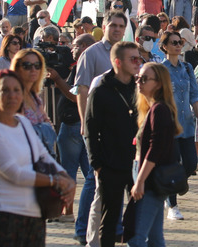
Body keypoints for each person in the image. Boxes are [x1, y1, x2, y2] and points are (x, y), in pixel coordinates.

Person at [0, 70, 76, 247]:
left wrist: (66, 176)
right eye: (5, 90)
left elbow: (43, 155)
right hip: (5, 214)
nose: (12, 95)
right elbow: (15, 173)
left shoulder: (22, 122)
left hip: (35, 212)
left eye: (17, 90)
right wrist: (56, 180)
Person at [84, 41, 142, 247]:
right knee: (109, 222)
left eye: (139, 58)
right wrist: (97, 164)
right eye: (133, 59)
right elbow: (90, 129)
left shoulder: (139, 88)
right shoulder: (101, 91)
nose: (138, 63)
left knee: (138, 220)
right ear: (118, 62)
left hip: (136, 165)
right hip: (111, 164)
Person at [126, 62, 184, 247]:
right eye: (137, 78)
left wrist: (140, 181)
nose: (139, 83)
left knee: (136, 238)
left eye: (144, 79)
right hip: (148, 176)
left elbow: (155, 150)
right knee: (155, 238)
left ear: (159, 83)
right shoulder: (153, 109)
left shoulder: (159, 110)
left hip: (150, 178)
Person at [158, 30, 198, 220]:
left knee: (191, 164)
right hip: (169, 125)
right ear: (165, 46)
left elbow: (194, 94)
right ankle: (172, 205)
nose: (178, 45)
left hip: (187, 124)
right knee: (173, 164)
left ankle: (172, 186)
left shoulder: (187, 68)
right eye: (174, 42)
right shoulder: (160, 69)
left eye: (180, 42)